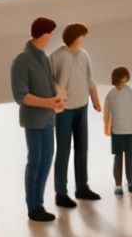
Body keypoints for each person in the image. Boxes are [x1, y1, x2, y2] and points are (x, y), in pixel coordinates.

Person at [10, 17, 65, 223]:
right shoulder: (22, 60)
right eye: (49, 34)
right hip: (34, 120)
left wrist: (56, 100)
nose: (50, 38)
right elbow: (21, 95)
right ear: (42, 34)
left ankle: (39, 202)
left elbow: (49, 85)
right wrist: (48, 102)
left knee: (47, 158)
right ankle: (32, 206)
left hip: (48, 119)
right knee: (36, 160)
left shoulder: (42, 57)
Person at [49, 22, 102, 207]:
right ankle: (60, 193)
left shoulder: (85, 55)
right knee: (63, 150)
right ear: (73, 37)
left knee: (82, 148)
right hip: (64, 110)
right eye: (81, 36)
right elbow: (48, 80)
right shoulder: (58, 56)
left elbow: (90, 80)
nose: (83, 40)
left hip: (82, 107)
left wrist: (95, 101)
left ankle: (82, 187)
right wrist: (58, 94)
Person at [103, 66, 132, 195]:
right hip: (116, 131)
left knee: (129, 157)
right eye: (124, 77)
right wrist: (106, 127)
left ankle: (131, 183)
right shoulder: (111, 94)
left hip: (129, 130)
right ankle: (118, 185)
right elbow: (106, 112)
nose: (126, 79)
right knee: (118, 158)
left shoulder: (129, 91)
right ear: (119, 78)